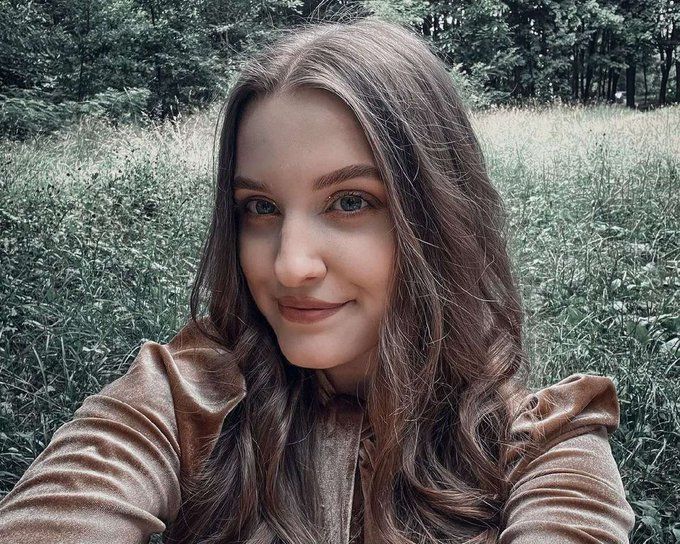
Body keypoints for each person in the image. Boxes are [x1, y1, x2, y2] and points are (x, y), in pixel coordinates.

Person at [0, 16, 635, 544]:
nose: (289, 266)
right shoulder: (182, 399)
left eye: (350, 202)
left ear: (438, 217)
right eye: (260, 207)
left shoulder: (546, 448)